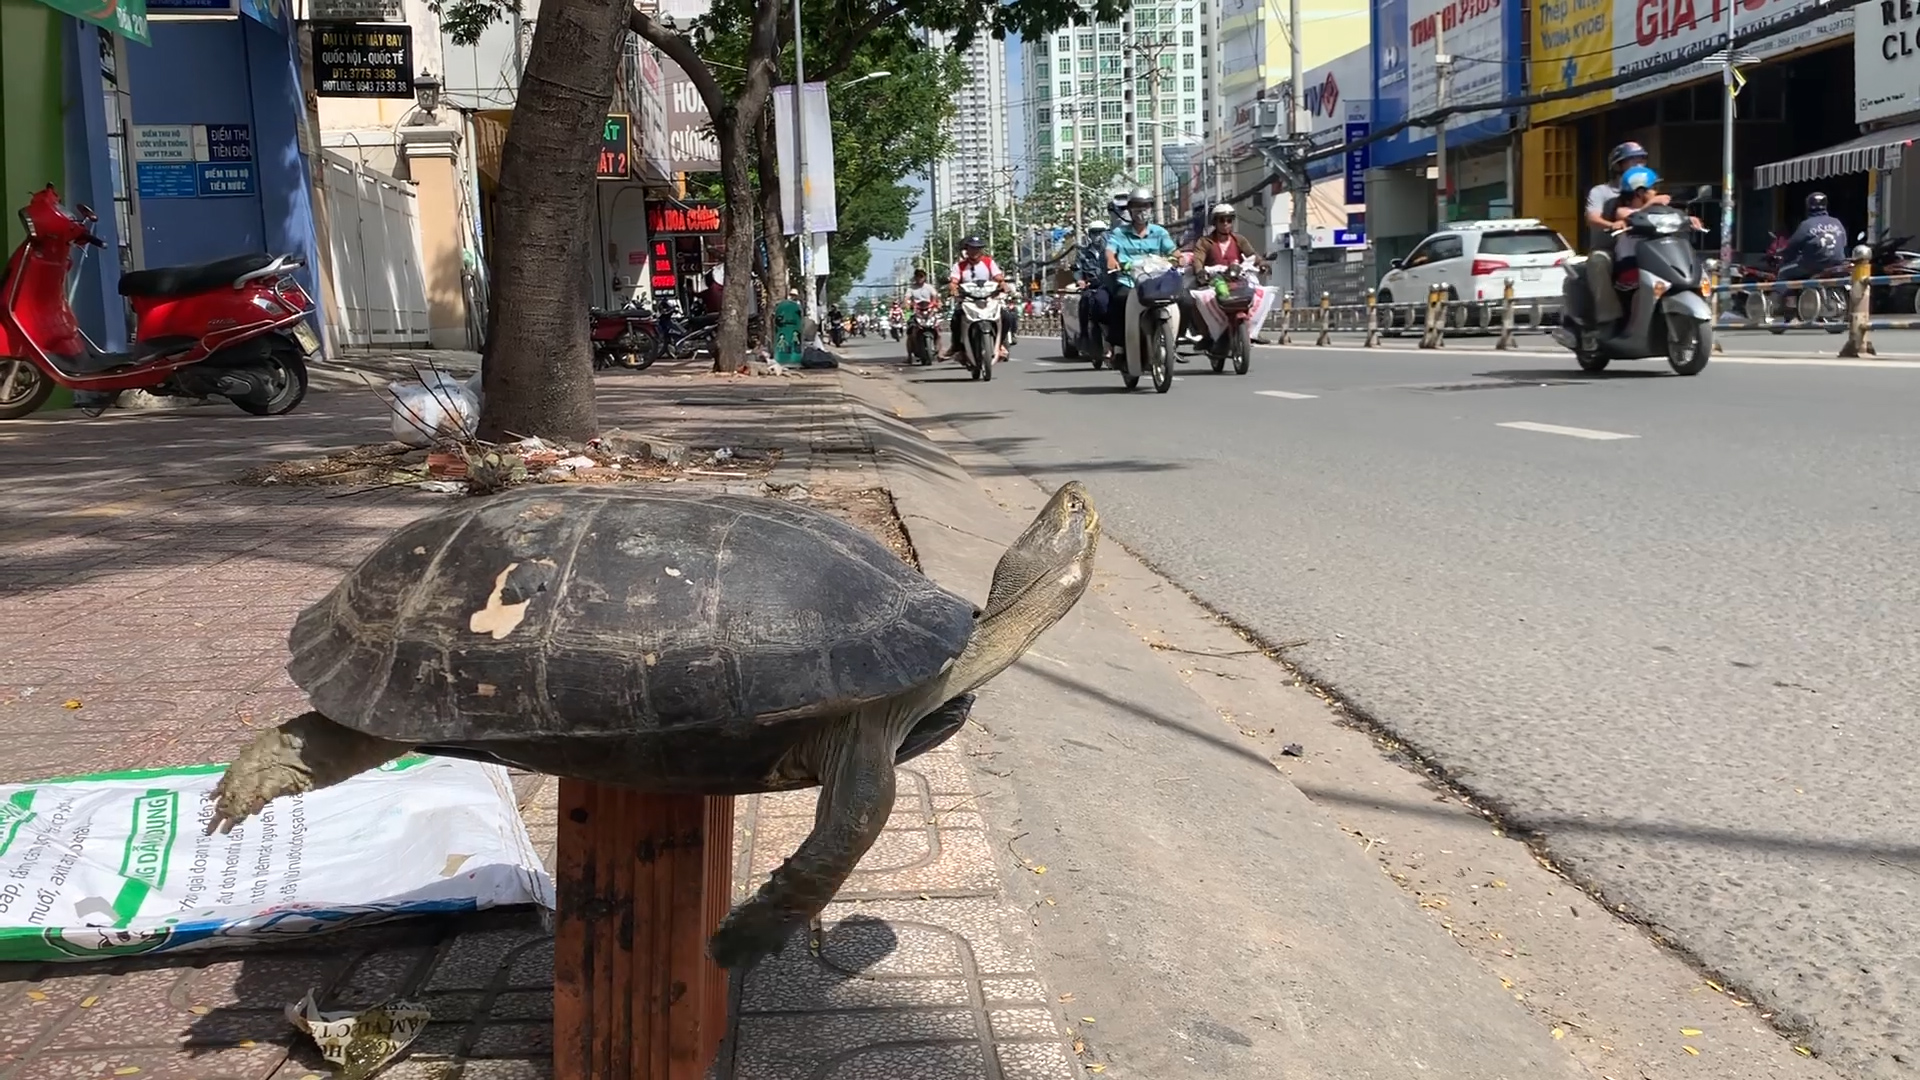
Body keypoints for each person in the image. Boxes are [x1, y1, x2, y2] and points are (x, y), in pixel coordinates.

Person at [1189, 203, 1276, 355]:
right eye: (1222, 220)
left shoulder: (1239, 240)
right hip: (1213, 281)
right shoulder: (1205, 242)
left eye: (1229, 220)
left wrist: (1262, 264)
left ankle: (1253, 330)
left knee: (1261, 294)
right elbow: (1198, 260)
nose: (1226, 224)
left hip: (1237, 280)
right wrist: (1200, 272)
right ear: (1214, 222)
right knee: (1199, 299)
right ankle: (1207, 335)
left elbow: (1252, 256)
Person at [1103, 187, 1177, 355]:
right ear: (1129, 209)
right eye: (1137, 205)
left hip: (1156, 283)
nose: (1141, 210)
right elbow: (1110, 250)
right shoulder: (1119, 233)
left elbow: (1172, 251)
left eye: (1146, 206)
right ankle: (1119, 346)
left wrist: (1180, 257)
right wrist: (1112, 259)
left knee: (1182, 300)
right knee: (1119, 301)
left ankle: (1173, 341)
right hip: (1129, 282)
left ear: (1151, 207)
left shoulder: (1159, 232)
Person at [1584, 141, 1649, 325]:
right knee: (1599, 261)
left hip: (1641, 246)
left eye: (1641, 160)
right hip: (1609, 248)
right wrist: (1611, 224)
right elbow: (1592, 218)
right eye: (1632, 160)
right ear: (1618, 165)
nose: (1638, 165)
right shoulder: (1601, 192)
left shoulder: (1646, 191)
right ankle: (1609, 319)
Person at [1774, 191, 1849, 308]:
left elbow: (1793, 245)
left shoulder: (1806, 225)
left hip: (1813, 265)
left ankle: (1791, 309)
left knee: (1782, 273)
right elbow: (1844, 243)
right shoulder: (1836, 222)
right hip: (1837, 263)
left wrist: (1783, 253)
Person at [943, 236, 1007, 361]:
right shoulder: (959, 266)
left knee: (1007, 317)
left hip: (988, 299)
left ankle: (1001, 345)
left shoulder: (989, 262)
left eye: (978, 248)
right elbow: (954, 281)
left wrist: (1003, 284)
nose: (975, 251)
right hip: (968, 300)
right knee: (956, 318)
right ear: (966, 249)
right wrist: (953, 289)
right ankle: (957, 347)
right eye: (972, 248)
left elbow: (998, 276)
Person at [905, 267, 942, 357]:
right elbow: (907, 298)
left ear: (924, 277)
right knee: (911, 332)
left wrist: (939, 304)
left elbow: (936, 297)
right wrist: (907, 304)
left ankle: (940, 352)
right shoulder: (911, 288)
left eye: (921, 276)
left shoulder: (929, 288)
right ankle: (909, 355)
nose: (919, 278)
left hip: (929, 312)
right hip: (916, 312)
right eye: (917, 276)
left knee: (938, 331)